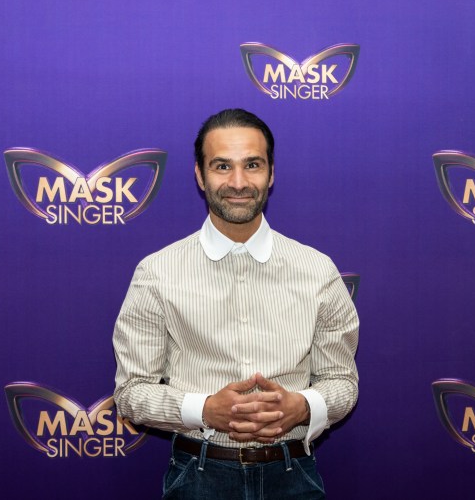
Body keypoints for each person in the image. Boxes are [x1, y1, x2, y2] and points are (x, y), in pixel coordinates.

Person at [113, 108, 359, 499]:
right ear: (200, 175)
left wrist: (303, 406)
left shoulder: (318, 270)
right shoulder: (157, 272)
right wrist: (204, 409)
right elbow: (131, 392)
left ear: (271, 173)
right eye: (223, 166)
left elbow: (342, 382)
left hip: (293, 476)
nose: (239, 182)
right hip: (198, 477)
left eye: (253, 165)